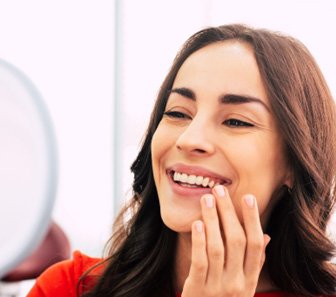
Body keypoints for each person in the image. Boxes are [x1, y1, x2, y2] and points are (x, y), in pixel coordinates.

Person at [27, 23, 336, 297]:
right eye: (177, 113)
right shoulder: (69, 287)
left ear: (295, 164)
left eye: (236, 121)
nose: (188, 139)